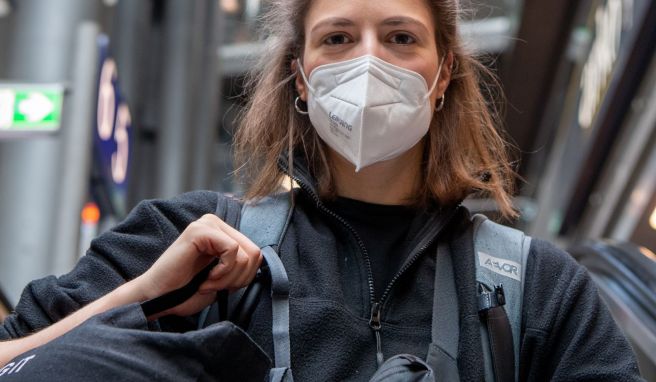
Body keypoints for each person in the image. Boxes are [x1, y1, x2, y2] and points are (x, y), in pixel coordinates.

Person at [0, 0, 643, 380]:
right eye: (337, 39)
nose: (369, 63)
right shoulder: (187, 237)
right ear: (302, 79)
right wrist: (143, 295)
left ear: (443, 73)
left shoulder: (539, 289)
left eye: (400, 38)